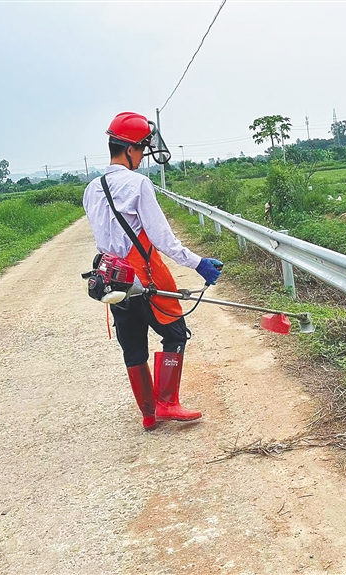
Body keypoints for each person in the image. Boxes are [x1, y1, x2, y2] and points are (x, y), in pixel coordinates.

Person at [83, 111, 223, 431]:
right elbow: (163, 239)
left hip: (111, 280)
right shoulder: (138, 184)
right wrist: (198, 263)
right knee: (175, 333)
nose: (142, 156)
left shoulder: (91, 189)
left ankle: (149, 414)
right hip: (143, 278)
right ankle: (167, 402)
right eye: (142, 149)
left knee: (132, 347)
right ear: (130, 149)